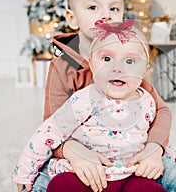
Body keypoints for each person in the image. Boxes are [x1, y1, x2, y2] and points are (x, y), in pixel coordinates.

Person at [29, 0, 176, 191]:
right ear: (72, 18)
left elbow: (160, 110)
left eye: (114, 8)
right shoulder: (63, 66)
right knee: (45, 175)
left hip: (131, 150)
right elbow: (52, 124)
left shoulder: (129, 57)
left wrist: (154, 147)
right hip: (82, 152)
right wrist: (73, 151)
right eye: (93, 7)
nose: (106, 15)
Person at [13, 21, 166, 192]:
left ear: (144, 71)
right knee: (62, 185)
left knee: (149, 188)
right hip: (85, 175)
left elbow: (151, 135)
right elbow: (48, 132)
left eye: (130, 61)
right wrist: (25, 172)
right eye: (107, 59)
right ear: (92, 65)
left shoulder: (148, 101)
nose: (117, 68)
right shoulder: (84, 99)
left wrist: (155, 156)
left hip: (130, 175)